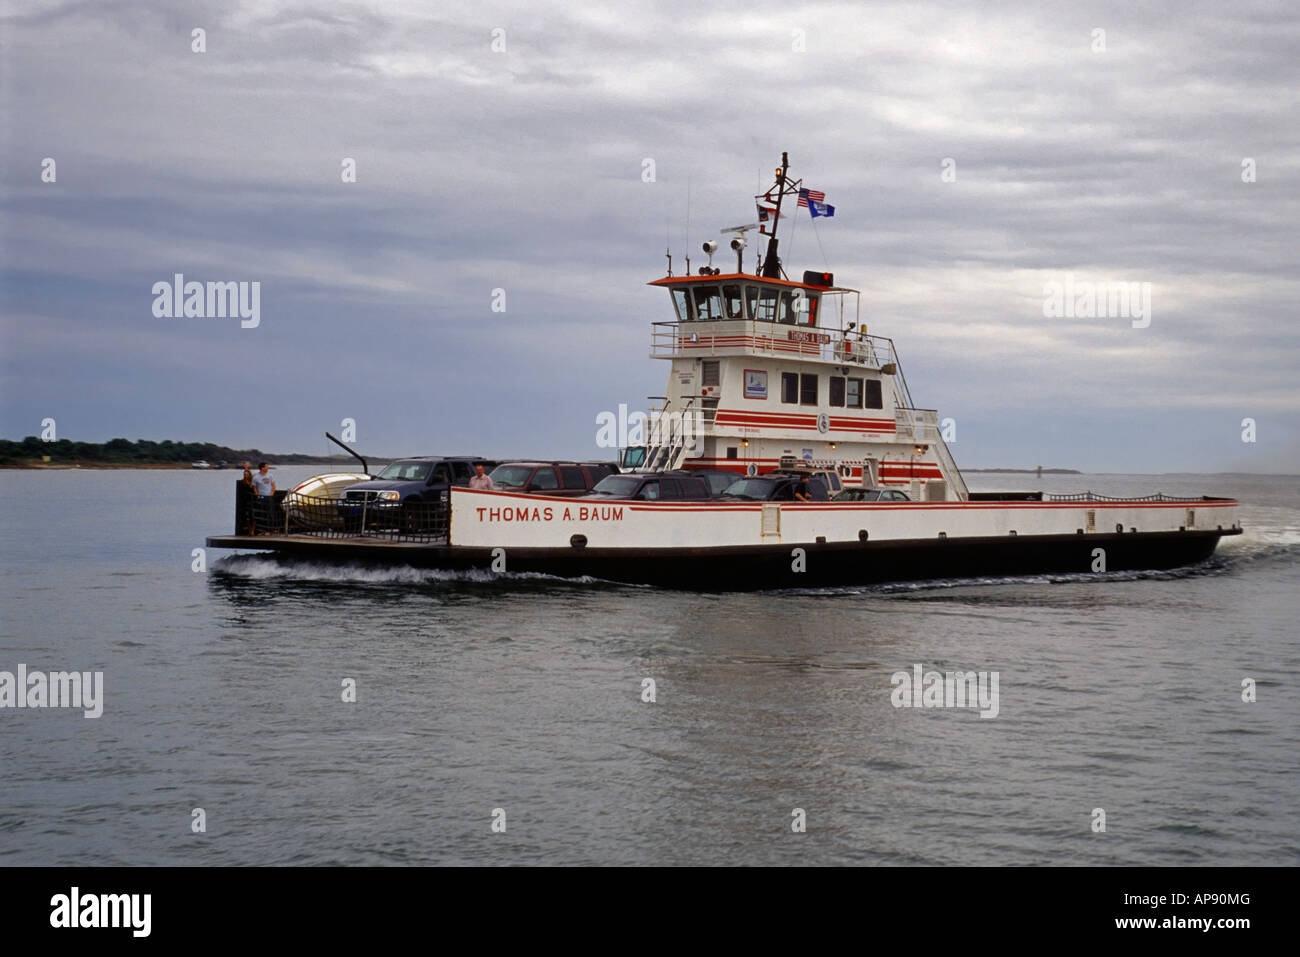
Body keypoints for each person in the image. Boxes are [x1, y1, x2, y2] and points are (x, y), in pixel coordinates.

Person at [251, 462, 276, 534]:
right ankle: (262, 530)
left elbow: (273, 485)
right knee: (262, 514)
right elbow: (254, 487)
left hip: (269, 496)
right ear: (262, 468)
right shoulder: (256, 477)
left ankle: (269, 530)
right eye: (266, 467)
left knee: (270, 513)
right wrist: (257, 495)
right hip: (261, 497)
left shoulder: (270, 476)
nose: (268, 468)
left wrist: (272, 493)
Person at [239, 463, 256, 535]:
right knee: (247, 517)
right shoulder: (242, 482)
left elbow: (254, 490)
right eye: (244, 474)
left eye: (246, 474)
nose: (245, 475)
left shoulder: (252, 482)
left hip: (252, 500)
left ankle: (252, 530)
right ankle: (250, 530)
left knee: (253, 516)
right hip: (245, 500)